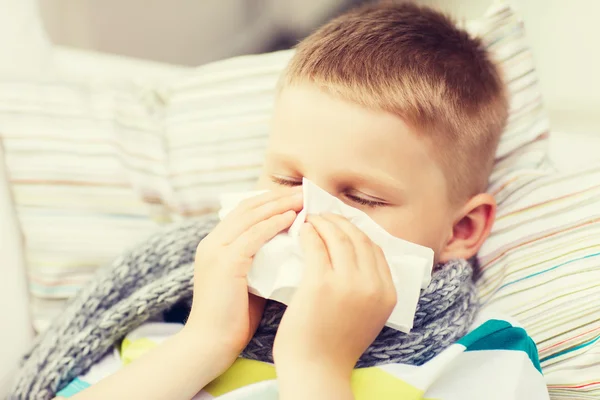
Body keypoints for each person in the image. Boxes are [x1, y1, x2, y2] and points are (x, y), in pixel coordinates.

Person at [43, 2, 545, 399]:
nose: (308, 217)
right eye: (287, 180)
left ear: (461, 230)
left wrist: (317, 368)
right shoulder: (170, 320)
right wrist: (206, 342)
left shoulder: (483, 356)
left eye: (361, 197)